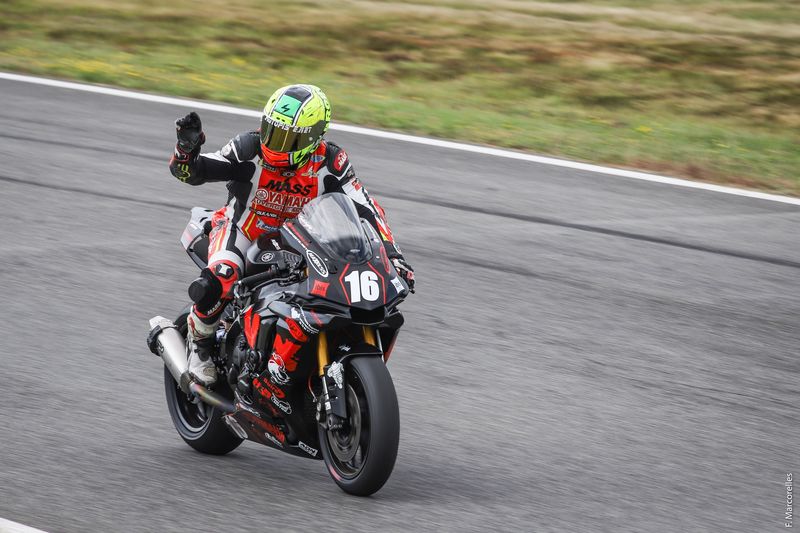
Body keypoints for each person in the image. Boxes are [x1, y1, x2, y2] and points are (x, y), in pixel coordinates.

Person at [168, 84, 415, 416]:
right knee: (223, 275)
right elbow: (194, 173)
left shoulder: (331, 160)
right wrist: (187, 150)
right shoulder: (249, 148)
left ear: (313, 137)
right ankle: (200, 347)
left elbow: (367, 208)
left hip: (303, 240)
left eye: (288, 137)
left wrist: (393, 256)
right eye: (272, 130)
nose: (275, 142)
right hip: (244, 232)